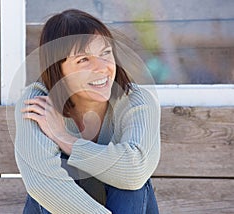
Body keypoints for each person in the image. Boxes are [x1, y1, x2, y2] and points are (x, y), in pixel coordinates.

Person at [14, 9, 160, 214]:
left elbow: (135, 171)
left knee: (131, 183)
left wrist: (65, 139)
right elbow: (43, 184)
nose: (102, 68)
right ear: (57, 68)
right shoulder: (38, 102)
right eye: (84, 60)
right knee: (54, 185)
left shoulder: (136, 100)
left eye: (105, 53)